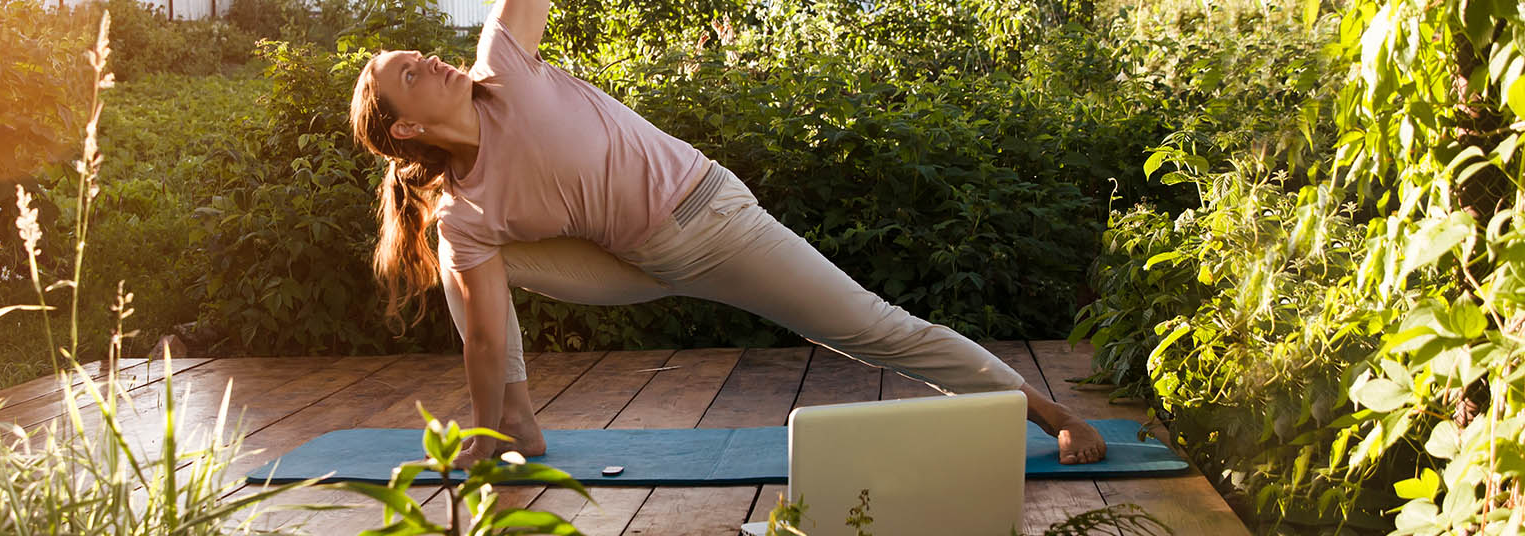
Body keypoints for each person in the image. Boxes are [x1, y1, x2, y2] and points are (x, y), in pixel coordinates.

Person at [347, 0, 1108, 468]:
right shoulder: (466, 208)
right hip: (630, 259)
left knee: (876, 328)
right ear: (408, 126)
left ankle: (1049, 411)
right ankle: (516, 421)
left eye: (412, 55)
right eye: (405, 75)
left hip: (712, 221)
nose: (424, 59)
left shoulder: (501, 61)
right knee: (459, 244)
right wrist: (481, 430)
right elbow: (481, 337)